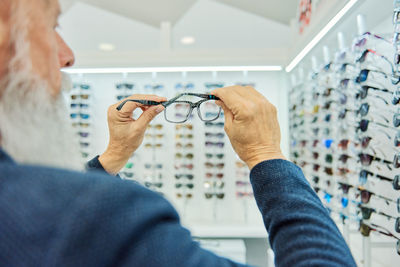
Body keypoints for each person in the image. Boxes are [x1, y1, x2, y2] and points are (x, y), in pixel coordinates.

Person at [0, 0, 356, 266]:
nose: (68, 55)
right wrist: (266, 155)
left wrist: (110, 159)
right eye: (51, 25)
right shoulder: (95, 215)